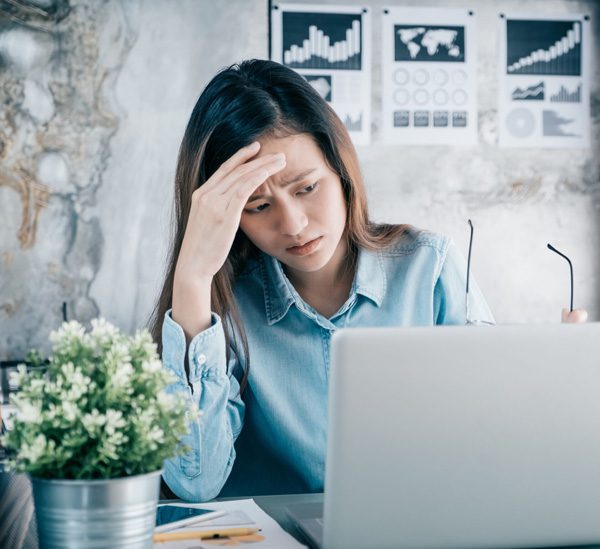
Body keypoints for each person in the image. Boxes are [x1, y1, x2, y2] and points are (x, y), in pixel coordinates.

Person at [149, 60, 494, 502]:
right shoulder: (226, 302)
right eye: (257, 206)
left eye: (307, 188)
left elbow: (488, 443)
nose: (293, 225)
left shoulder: (429, 269)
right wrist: (193, 278)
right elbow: (195, 483)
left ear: (342, 170)